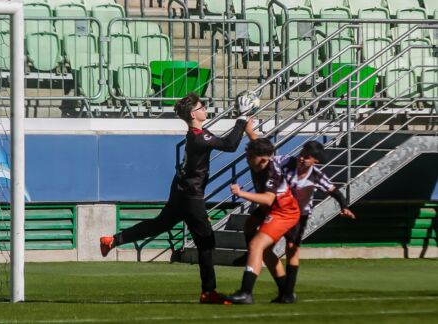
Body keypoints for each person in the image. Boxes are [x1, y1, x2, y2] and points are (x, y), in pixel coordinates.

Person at [99, 93, 254, 304]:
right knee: (206, 242)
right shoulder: (200, 137)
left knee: (159, 225)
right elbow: (230, 145)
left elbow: (225, 143)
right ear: (193, 114)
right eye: (202, 106)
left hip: (181, 191)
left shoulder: (196, 134)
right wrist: (242, 117)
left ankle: (113, 240)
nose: (204, 108)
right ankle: (208, 292)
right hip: (191, 195)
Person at [242, 129, 356, 304]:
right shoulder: (287, 161)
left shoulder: (316, 175)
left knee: (291, 248)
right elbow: (266, 154)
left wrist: (344, 207)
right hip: (276, 206)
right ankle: (254, 253)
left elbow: (334, 191)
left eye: (307, 157)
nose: (302, 158)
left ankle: (288, 291)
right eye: (302, 154)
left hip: (299, 214)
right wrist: (251, 135)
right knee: (250, 225)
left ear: (315, 161)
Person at [228, 138, 301, 304]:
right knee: (253, 232)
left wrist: (241, 194)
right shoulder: (261, 160)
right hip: (273, 208)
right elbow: (258, 142)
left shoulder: (272, 173)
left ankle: (246, 293)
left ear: (261, 158)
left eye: (249, 156)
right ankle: (286, 293)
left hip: (283, 211)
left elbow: (268, 199)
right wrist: (248, 128)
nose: (246, 159)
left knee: (257, 245)